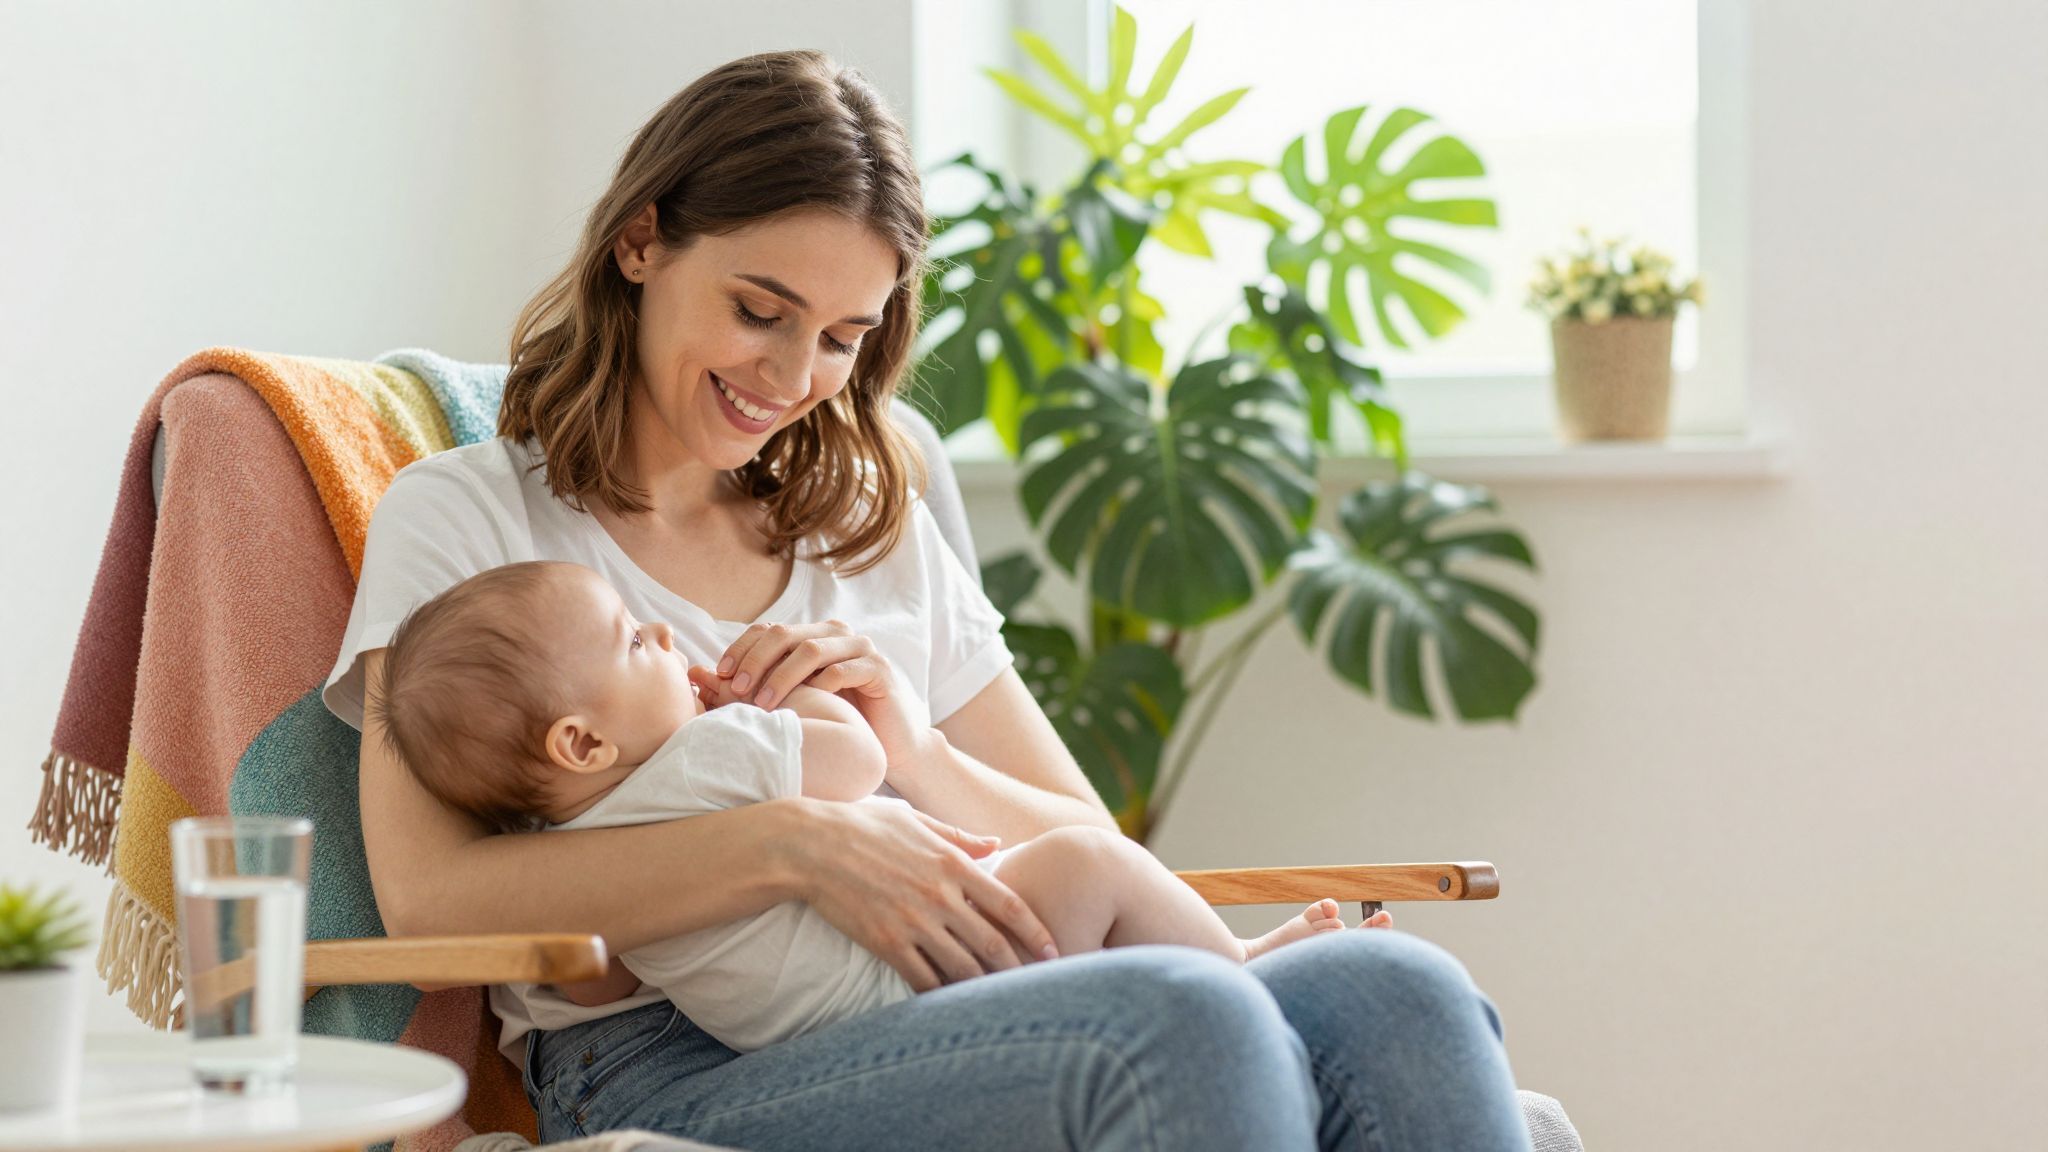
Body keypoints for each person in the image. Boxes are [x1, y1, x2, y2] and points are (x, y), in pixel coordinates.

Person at [322, 48, 1532, 1151]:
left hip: (954, 991)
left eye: (842, 337)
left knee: (1399, 992)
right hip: (660, 1054)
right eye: (759, 311)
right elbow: (430, 898)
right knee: (1185, 1019)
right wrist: (795, 847)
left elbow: (1084, 836)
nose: (791, 376)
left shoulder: (864, 518)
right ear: (640, 243)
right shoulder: (470, 516)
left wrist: (913, 749)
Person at [369, 559, 1379, 1055]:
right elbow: (852, 761)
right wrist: (786, 701)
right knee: (1094, 867)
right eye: (638, 642)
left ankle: (1223, 976)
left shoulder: (576, 849)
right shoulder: (711, 754)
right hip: (915, 974)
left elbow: (602, 982)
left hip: (818, 1035)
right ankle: (1237, 963)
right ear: (583, 743)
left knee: (1385, 990)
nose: (668, 640)